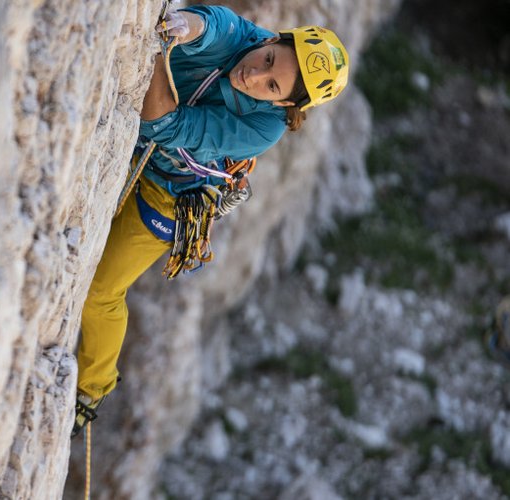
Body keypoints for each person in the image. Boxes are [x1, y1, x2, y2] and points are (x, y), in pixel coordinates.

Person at [72, 4, 350, 437]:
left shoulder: (265, 128)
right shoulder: (244, 36)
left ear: (283, 103)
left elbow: (165, 125)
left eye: (271, 84)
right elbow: (212, 26)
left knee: (102, 290)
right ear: (271, 39)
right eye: (269, 58)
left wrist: (157, 51)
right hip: (130, 153)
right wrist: (184, 27)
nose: (254, 74)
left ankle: (93, 389)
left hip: (171, 197)